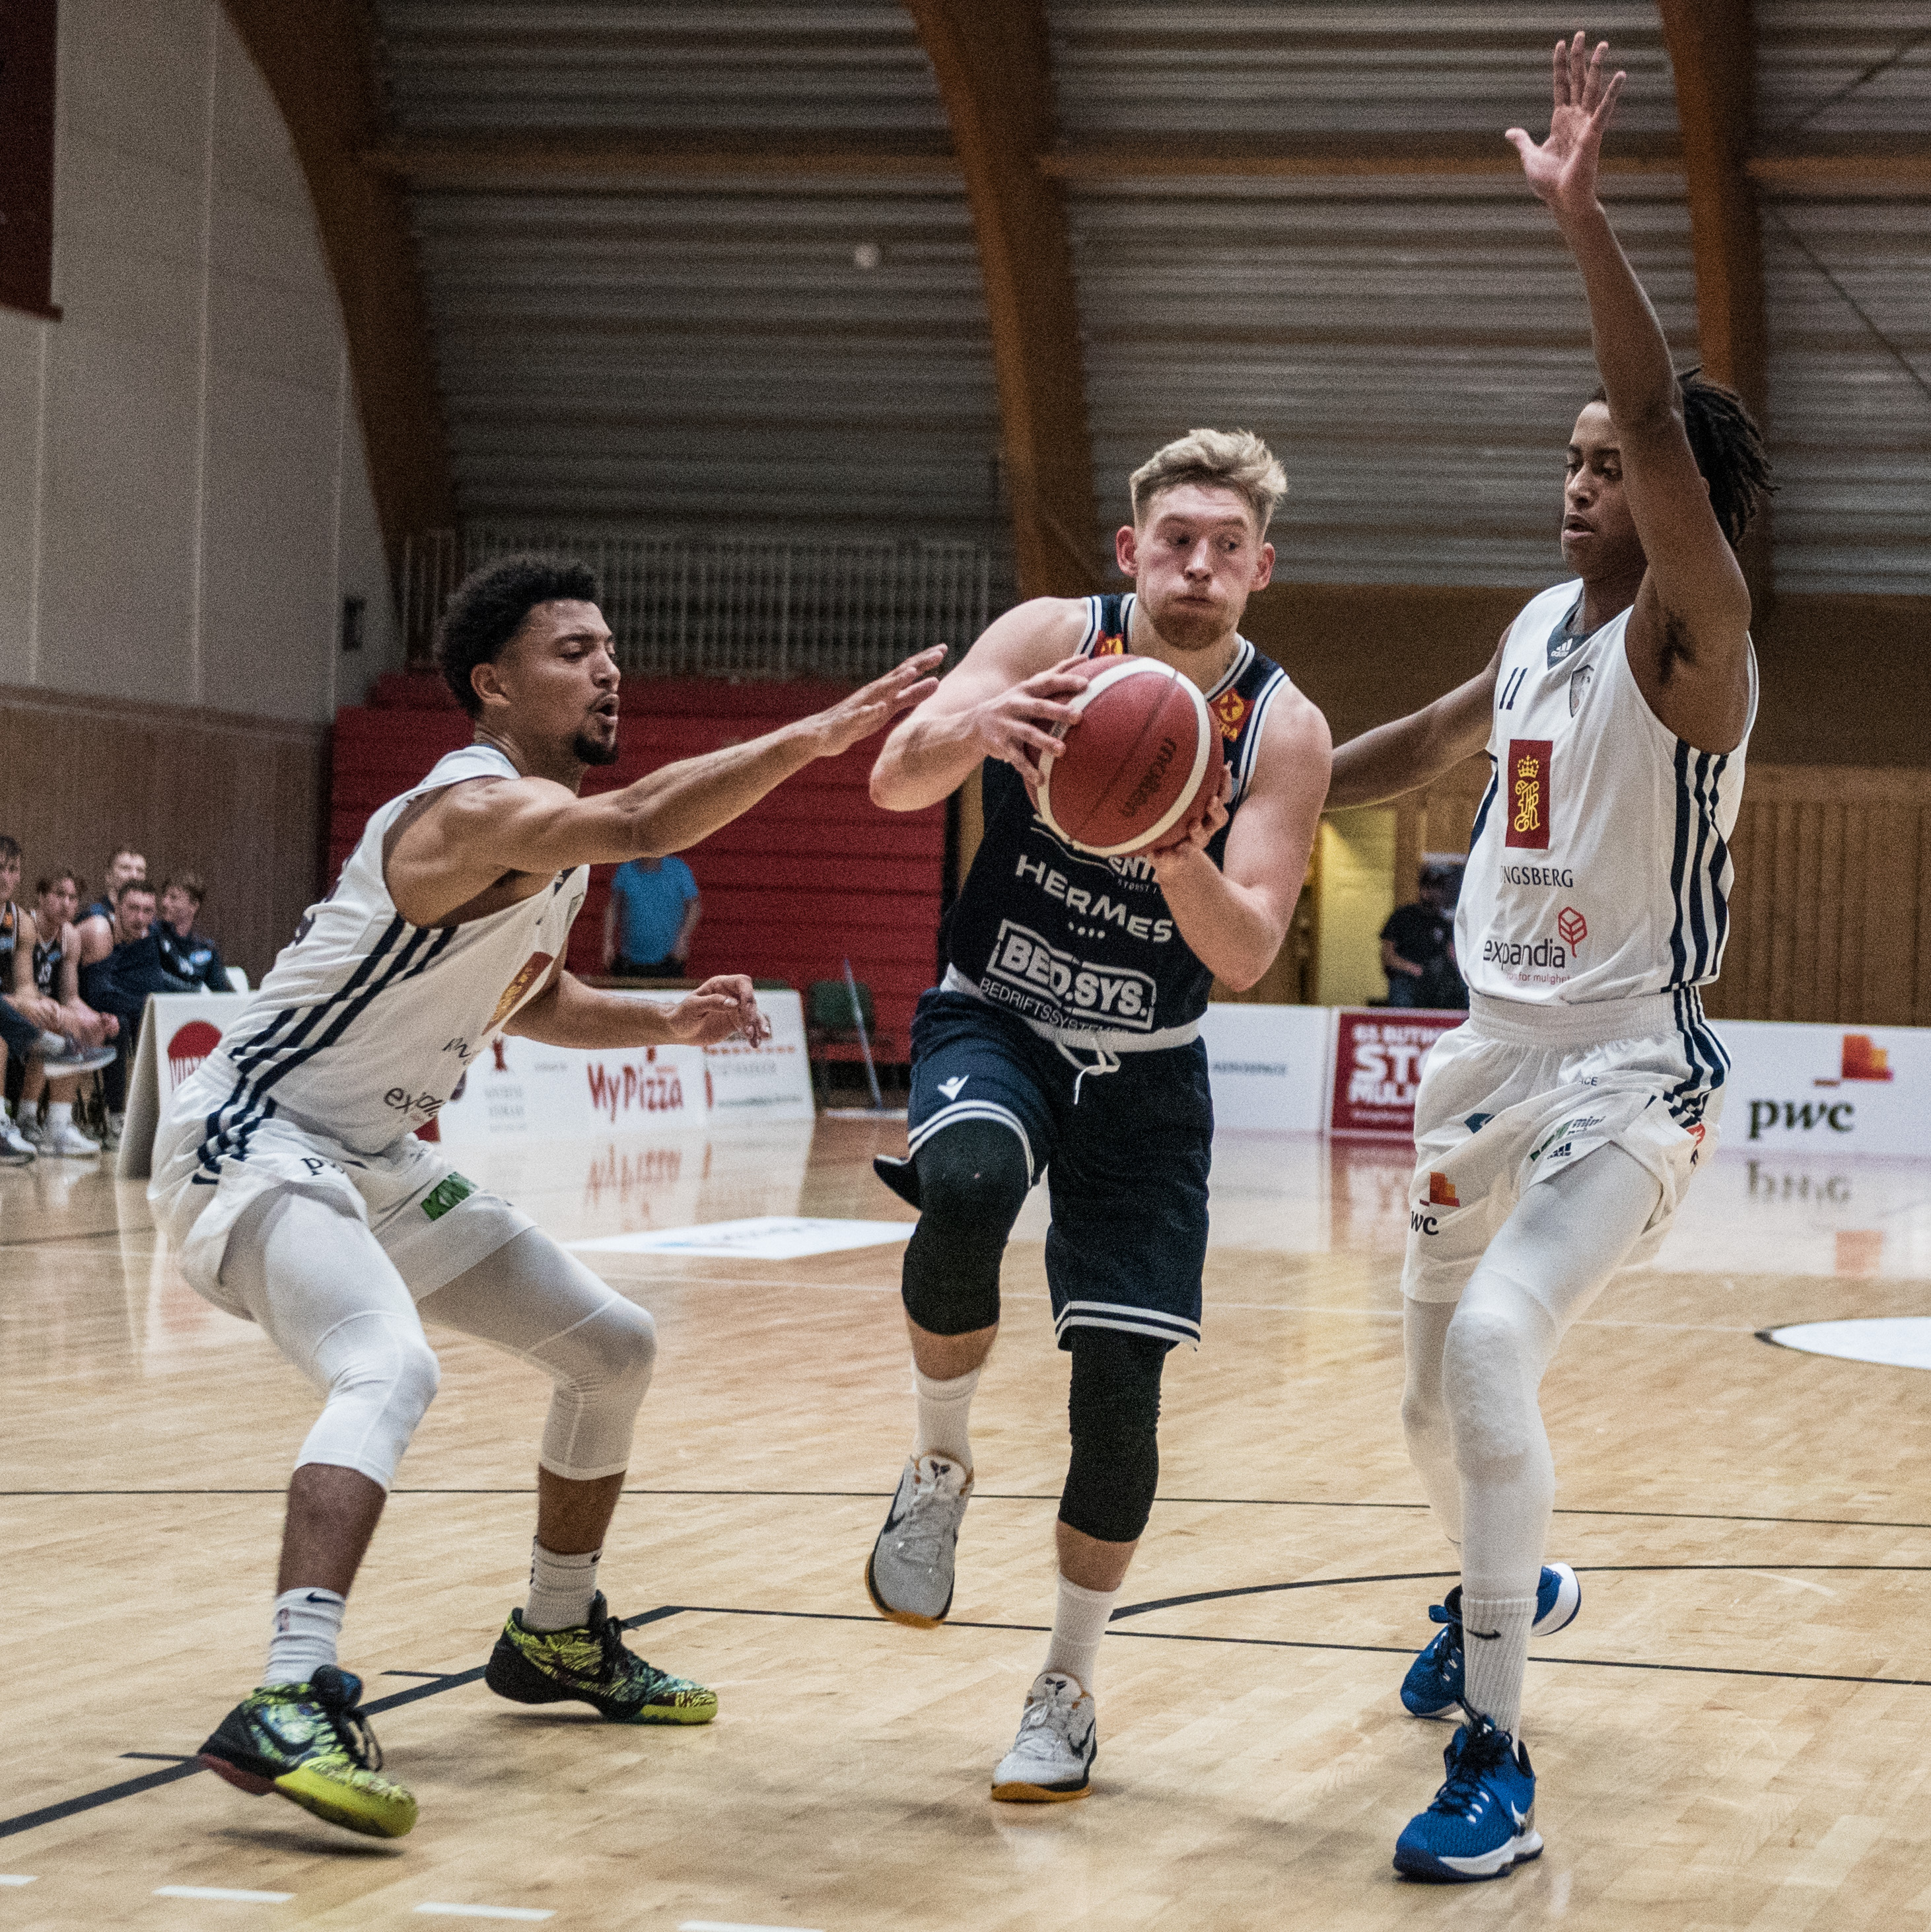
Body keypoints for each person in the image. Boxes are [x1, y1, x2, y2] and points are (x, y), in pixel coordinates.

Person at [147, 553, 941, 1842]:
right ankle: (290, 1693)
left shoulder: (541, 848)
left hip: (377, 1154)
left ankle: (557, 1632)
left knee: (611, 1344)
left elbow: (535, 998)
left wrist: (666, 1021)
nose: (607, 665)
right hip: (257, 1130)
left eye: (608, 645)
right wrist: (814, 735)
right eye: (572, 649)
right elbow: (640, 827)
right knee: (386, 1367)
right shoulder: (466, 810)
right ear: (491, 685)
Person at [1323, 37, 1772, 1882]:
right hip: (1477, 1064)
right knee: (1426, 1400)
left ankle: (1496, 1758)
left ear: (1675, 507)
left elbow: (1663, 426)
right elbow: (1412, 749)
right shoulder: (1531, 628)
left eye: (1610, 464)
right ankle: (1508, 1583)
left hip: (1623, 1074)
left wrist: (1582, 220)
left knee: (1500, 1348)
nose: (1583, 477)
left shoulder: (1702, 643)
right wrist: (1217, 798)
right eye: (1574, 458)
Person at [863, 430, 1331, 1803]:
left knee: (1117, 1401)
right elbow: (896, 779)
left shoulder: (1282, 727)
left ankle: (1065, 1682)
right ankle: (938, 1461)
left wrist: (1176, 841)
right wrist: (977, 725)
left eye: (1224, 546)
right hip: (994, 1007)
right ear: (1130, 552)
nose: (1198, 563)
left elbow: (1243, 950)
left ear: (1259, 568)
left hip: (1151, 1064)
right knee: (961, 1189)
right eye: (1174, 539)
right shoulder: (1050, 634)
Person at [79, 878, 193, 1149]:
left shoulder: (147, 938)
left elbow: (151, 994)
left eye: (147, 911)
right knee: (120, 1024)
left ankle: (164, 1112)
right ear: (116, 905)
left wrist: (129, 1009)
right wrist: (128, 1009)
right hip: (77, 1004)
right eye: (133, 908)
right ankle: (116, 1116)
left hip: (115, 1010)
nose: (140, 918)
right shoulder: (100, 930)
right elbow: (96, 992)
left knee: (150, 1019)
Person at [13, 870, 120, 1157]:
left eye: (73, 898)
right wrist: (57, 1010)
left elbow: (70, 996)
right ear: (41, 896)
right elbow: (23, 987)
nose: (66, 903)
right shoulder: (25, 925)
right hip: (17, 1005)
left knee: (86, 1025)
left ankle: (58, 1124)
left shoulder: (70, 936)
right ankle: (26, 1117)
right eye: (59, 895)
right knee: (60, 1022)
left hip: (48, 1010)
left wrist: (97, 1017)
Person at [1381, 861, 1466, 1009]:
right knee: (1403, 992)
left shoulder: (1444, 924)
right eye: (1435, 888)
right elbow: (1388, 956)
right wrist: (1413, 969)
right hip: (1407, 981)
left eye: (1442, 889)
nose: (1440, 894)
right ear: (1424, 890)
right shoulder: (1402, 916)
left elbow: (1452, 955)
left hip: (1435, 984)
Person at [602, 854, 700, 978]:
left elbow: (694, 906)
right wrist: (608, 943)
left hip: (668, 960)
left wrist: (683, 938)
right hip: (630, 960)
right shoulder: (626, 870)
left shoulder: (678, 869)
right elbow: (612, 908)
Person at [157, 873, 232, 992]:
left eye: (173, 898)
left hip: (190, 1009)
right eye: (164, 896)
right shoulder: (153, 935)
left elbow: (224, 994)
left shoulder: (206, 949)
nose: (164, 903)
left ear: (194, 905)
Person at [81, 843, 145, 925]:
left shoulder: (150, 922)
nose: (134, 876)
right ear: (109, 876)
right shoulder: (94, 915)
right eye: (126, 868)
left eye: (140, 871)